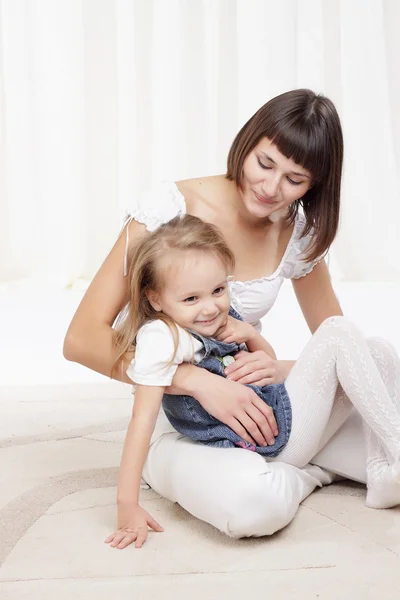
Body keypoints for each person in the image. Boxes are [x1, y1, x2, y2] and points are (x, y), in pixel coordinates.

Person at [63, 88, 393, 542]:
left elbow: (337, 343)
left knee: (375, 357)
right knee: (255, 506)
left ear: (314, 184)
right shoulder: (168, 209)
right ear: (247, 141)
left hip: (264, 407)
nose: (271, 188)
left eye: (295, 180)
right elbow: (80, 339)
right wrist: (197, 380)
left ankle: (305, 462)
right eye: (264, 163)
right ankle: (309, 473)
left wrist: (272, 363)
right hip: (186, 423)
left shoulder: (297, 232)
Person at [103, 215, 400, 549]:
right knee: (338, 332)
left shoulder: (224, 318)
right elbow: (141, 418)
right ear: (156, 299)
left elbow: (266, 367)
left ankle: (381, 470)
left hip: (274, 415)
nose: (210, 307)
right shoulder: (162, 337)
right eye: (191, 299)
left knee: (379, 351)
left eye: (218, 290)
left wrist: (251, 337)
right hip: (265, 440)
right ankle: (393, 455)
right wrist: (126, 504)